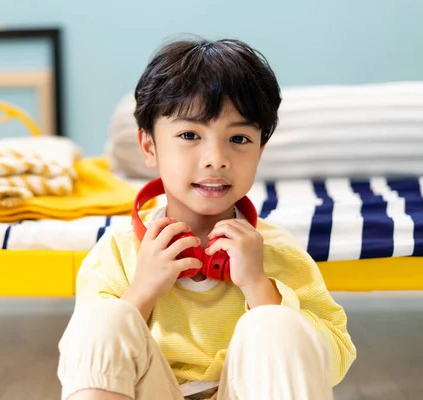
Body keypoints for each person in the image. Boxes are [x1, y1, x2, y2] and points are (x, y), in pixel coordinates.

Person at [57, 37, 357, 400]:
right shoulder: (119, 253)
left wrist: (259, 286)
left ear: (260, 150)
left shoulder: (277, 252)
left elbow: (336, 361)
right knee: (104, 317)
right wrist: (142, 291)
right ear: (149, 146)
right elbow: (87, 354)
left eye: (239, 139)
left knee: (277, 322)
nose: (216, 158)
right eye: (189, 135)